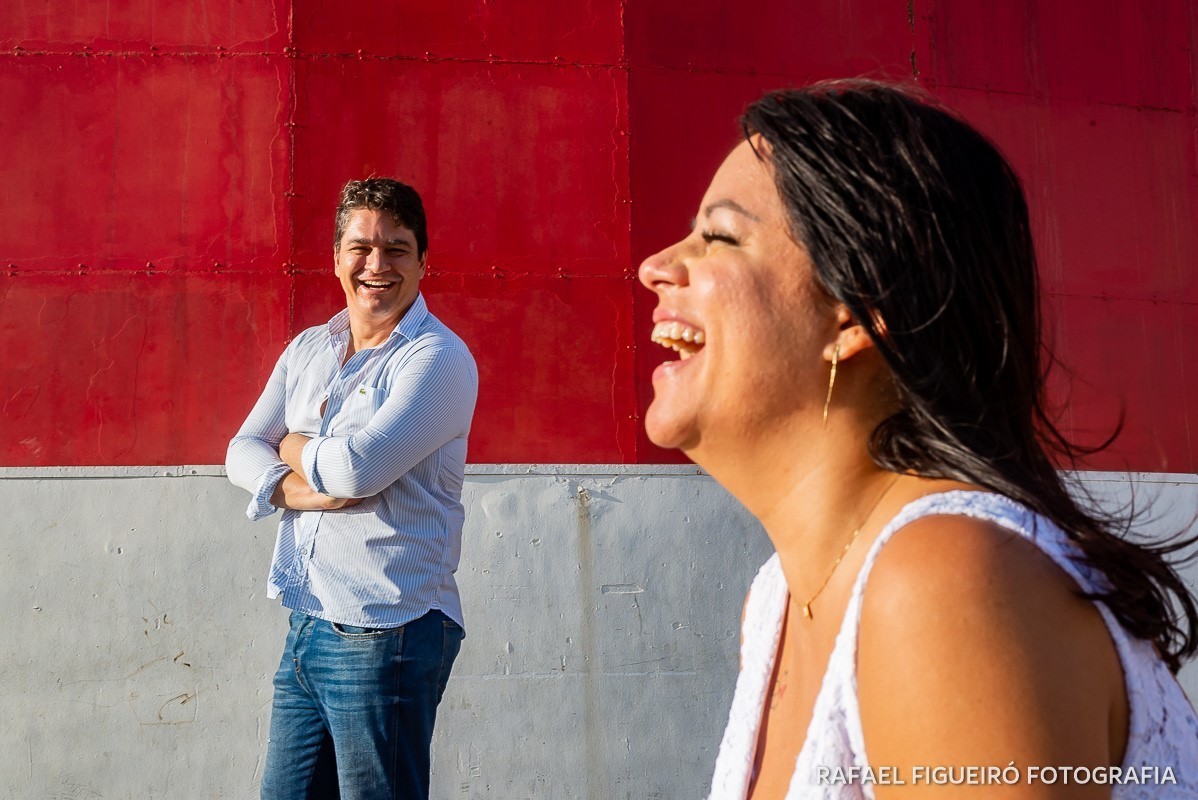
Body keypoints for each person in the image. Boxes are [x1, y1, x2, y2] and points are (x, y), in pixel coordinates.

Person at [638, 80, 1198, 798]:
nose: (655, 266)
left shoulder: (944, 583)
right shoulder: (775, 601)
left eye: (718, 236)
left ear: (854, 316)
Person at [226, 177, 478, 799]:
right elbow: (239, 450)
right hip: (308, 621)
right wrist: (306, 488)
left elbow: (360, 472)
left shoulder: (436, 359)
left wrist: (289, 447)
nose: (377, 264)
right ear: (336, 257)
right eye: (361, 247)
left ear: (423, 261)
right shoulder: (311, 348)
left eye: (397, 248)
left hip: (386, 632)